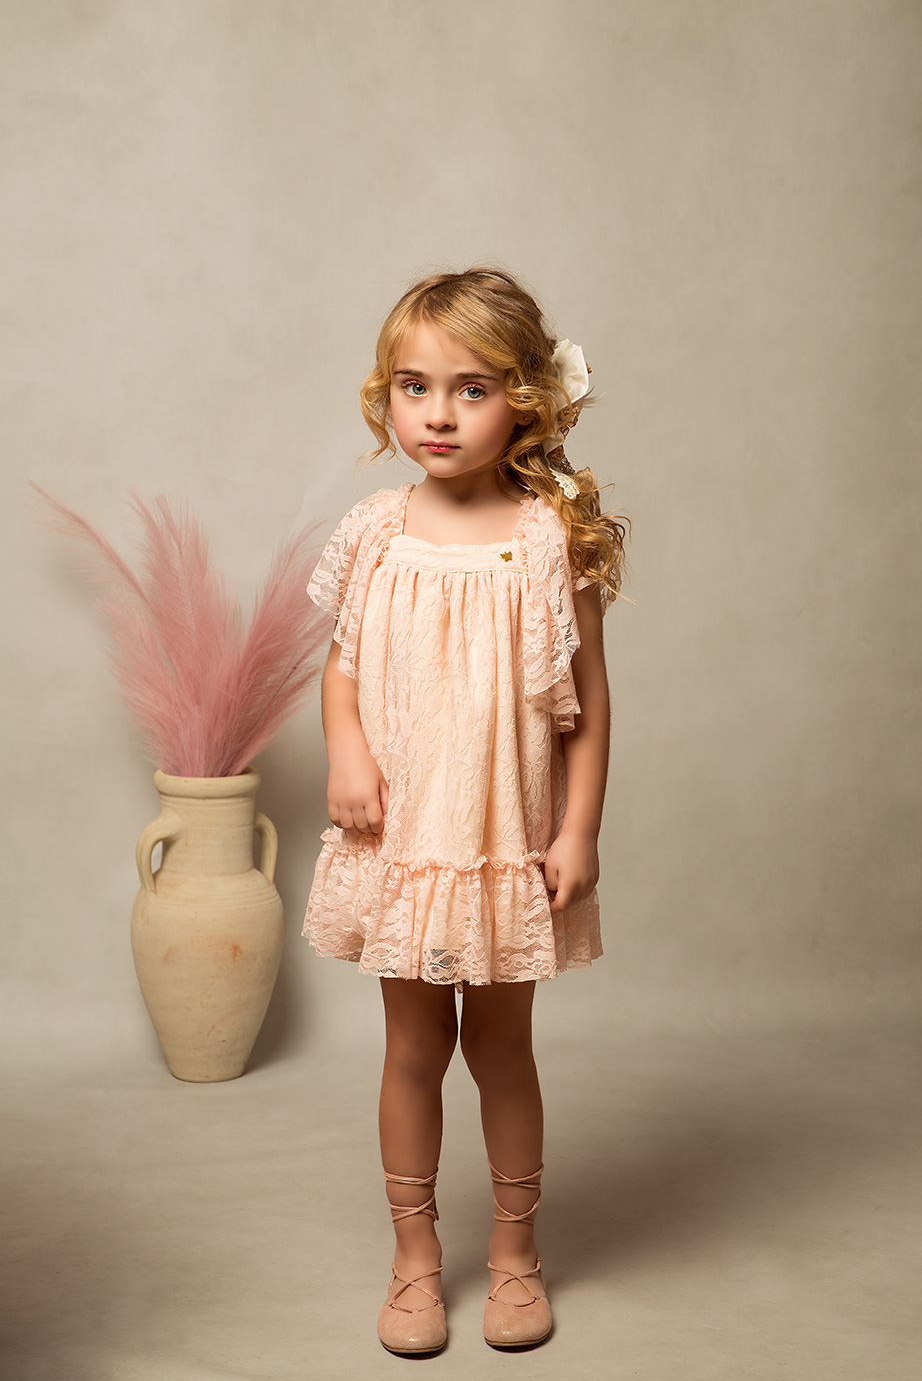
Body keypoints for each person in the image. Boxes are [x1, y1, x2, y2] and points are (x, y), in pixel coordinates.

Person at [303, 267, 627, 1354]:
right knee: (409, 1048)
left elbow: (587, 702)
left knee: (500, 1047)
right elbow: (341, 671)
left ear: (526, 398)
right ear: (385, 396)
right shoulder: (376, 532)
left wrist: (577, 826)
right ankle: (413, 1259)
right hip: (403, 837)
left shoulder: (547, 536)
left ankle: (516, 1255)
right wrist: (344, 747)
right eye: (413, 386)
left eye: (470, 388)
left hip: (501, 839)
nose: (435, 414)